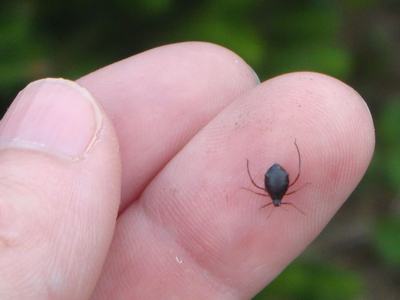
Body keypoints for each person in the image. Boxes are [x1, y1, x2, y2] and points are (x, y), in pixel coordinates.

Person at [0, 42, 375, 299]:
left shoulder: (274, 191)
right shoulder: (278, 191)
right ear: (278, 198)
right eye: (279, 201)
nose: (277, 201)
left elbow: (267, 178)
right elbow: (274, 178)